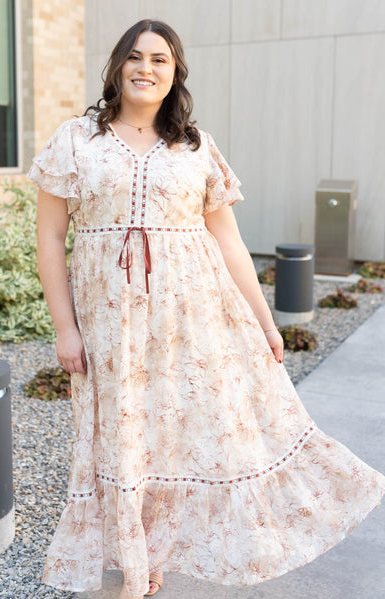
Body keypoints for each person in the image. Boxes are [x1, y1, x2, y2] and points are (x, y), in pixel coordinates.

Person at [28, 19, 385, 599]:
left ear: (175, 73)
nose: (147, 68)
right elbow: (48, 240)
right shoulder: (75, 139)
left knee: (173, 435)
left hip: (192, 321)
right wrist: (65, 329)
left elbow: (230, 243)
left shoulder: (194, 145)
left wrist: (267, 324)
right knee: (120, 435)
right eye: (136, 57)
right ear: (118, 66)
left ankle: (152, 555)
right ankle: (133, 557)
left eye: (161, 59)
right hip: (109, 324)